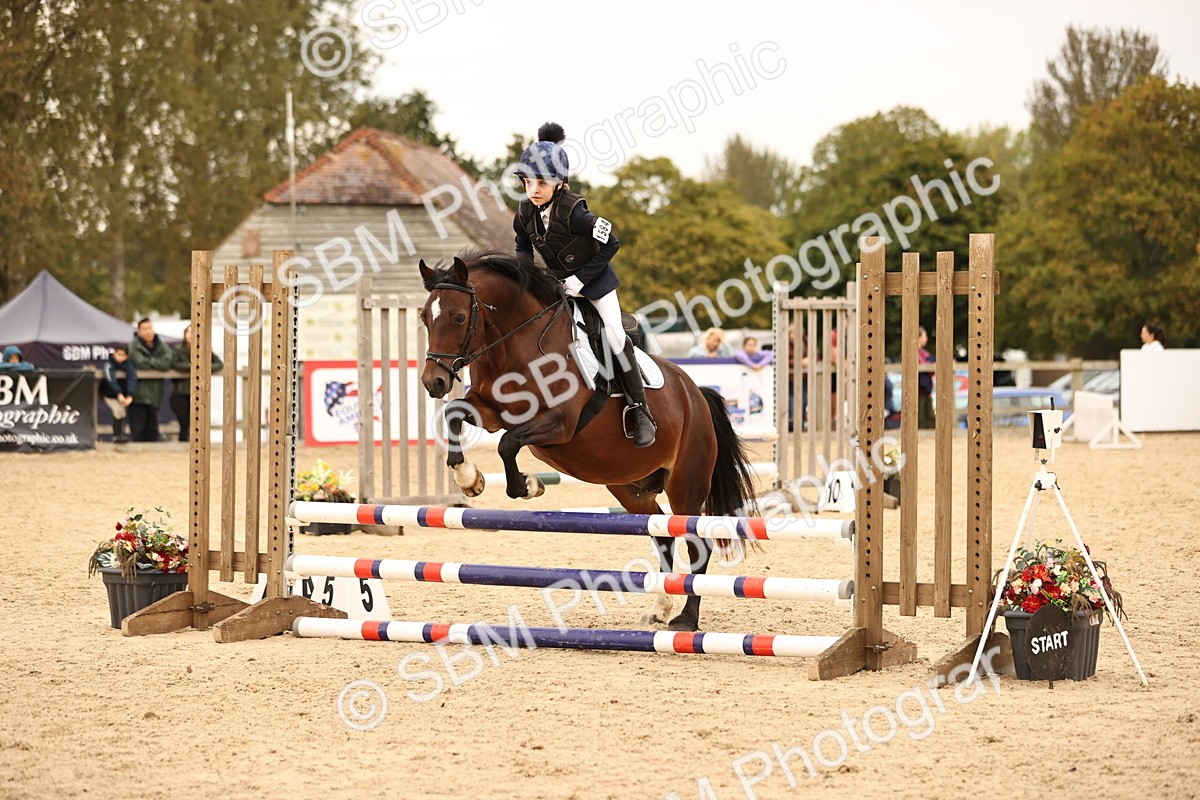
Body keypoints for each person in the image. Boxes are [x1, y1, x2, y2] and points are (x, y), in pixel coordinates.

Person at [513, 122, 656, 448]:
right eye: (528, 182)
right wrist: (528, 278)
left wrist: (579, 280)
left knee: (615, 335)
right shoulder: (524, 212)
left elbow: (612, 244)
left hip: (595, 284)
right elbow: (522, 246)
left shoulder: (576, 212)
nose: (533, 189)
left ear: (560, 183)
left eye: (541, 182)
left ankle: (640, 410)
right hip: (558, 285)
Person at [169, 325, 222, 442]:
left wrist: (204, 368)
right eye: (188, 332)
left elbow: (219, 364)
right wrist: (193, 366)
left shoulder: (205, 349)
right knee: (184, 422)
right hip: (181, 392)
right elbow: (173, 364)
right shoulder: (178, 350)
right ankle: (183, 443)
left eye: (193, 332)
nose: (191, 335)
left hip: (199, 391)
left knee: (198, 421)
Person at [128, 318, 172, 442]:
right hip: (138, 395)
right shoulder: (133, 345)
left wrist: (150, 362)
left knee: (152, 430)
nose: (148, 331)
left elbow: (167, 362)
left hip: (155, 395)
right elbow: (140, 362)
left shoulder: (161, 345)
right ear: (139, 331)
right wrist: (157, 363)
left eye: (150, 328)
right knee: (138, 430)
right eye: (144, 329)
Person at [100, 345, 137, 443]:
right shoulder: (108, 364)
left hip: (122, 395)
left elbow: (132, 378)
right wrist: (118, 393)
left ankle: (121, 435)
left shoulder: (129, 364)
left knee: (122, 413)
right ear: (114, 354)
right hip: (109, 394)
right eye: (118, 354)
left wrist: (130, 395)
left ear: (127, 356)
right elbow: (110, 379)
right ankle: (117, 436)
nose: (120, 357)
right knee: (118, 411)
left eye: (123, 355)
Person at [733, 336, 773, 419]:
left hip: (757, 382)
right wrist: (753, 365)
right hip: (744, 381)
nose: (751, 347)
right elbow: (738, 355)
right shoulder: (741, 354)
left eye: (753, 345)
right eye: (749, 345)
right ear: (744, 346)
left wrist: (760, 364)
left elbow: (772, 354)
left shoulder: (757, 353)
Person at [917, 326, 935, 429]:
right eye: (925, 336)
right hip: (919, 389)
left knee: (929, 417)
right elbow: (924, 365)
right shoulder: (916, 353)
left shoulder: (923, 353)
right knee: (921, 418)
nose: (926, 339)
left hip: (925, 390)